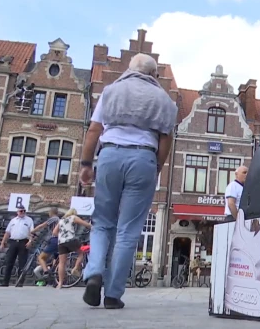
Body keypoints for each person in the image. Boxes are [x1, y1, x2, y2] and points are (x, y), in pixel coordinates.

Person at [79, 53, 177, 309]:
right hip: (143, 157)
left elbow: (94, 130)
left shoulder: (111, 91)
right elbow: (166, 139)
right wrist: (156, 168)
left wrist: (87, 164)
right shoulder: (164, 100)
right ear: (154, 75)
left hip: (110, 154)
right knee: (128, 230)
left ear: (129, 69)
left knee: (102, 222)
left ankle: (94, 272)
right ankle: (113, 294)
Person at [54, 208, 92, 289]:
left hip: (61, 242)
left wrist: (62, 236)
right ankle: (75, 268)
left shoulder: (61, 220)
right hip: (71, 240)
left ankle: (60, 283)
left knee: (61, 263)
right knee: (81, 252)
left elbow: (54, 232)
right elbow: (85, 224)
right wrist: (91, 226)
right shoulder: (73, 217)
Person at [0, 204, 34, 287]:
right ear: (17, 212)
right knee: (9, 262)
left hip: (23, 242)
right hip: (13, 242)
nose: (23, 212)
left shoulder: (29, 220)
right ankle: (5, 282)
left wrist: (30, 241)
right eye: (21, 211)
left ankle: (20, 282)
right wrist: (2, 243)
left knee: (22, 263)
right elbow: (7, 232)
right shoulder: (13, 220)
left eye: (24, 211)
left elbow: (32, 232)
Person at [30, 207, 61, 279]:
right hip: (60, 241)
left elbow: (42, 225)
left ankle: (46, 272)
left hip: (54, 240)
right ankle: (54, 274)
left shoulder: (54, 219)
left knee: (41, 257)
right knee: (55, 258)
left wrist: (33, 231)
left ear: (51, 213)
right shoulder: (59, 219)